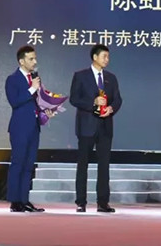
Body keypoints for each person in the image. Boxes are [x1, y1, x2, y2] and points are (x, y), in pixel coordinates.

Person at [69, 44, 123, 213]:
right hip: (86, 126)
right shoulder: (80, 76)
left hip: (105, 127)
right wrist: (93, 102)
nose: (107, 59)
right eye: (104, 56)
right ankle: (81, 202)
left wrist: (111, 109)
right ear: (95, 57)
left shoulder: (111, 78)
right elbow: (74, 99)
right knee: (83, 165)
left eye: (108, 56)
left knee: (104, 166)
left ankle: (103, 202)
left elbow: (118, 99)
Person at [5, 45, 48, 213]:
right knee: (18, 163)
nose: (34, 62)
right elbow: (14, 101)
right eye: (31, 59)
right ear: (21, 61)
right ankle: (15, 201)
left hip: (34, 127)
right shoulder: (12, 79)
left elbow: (37, 102)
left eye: (35, 58)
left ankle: (24, 200)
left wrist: (46, 111)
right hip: (19, 128)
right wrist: (32, 89)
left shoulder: (35, 79)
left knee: (29, 164)